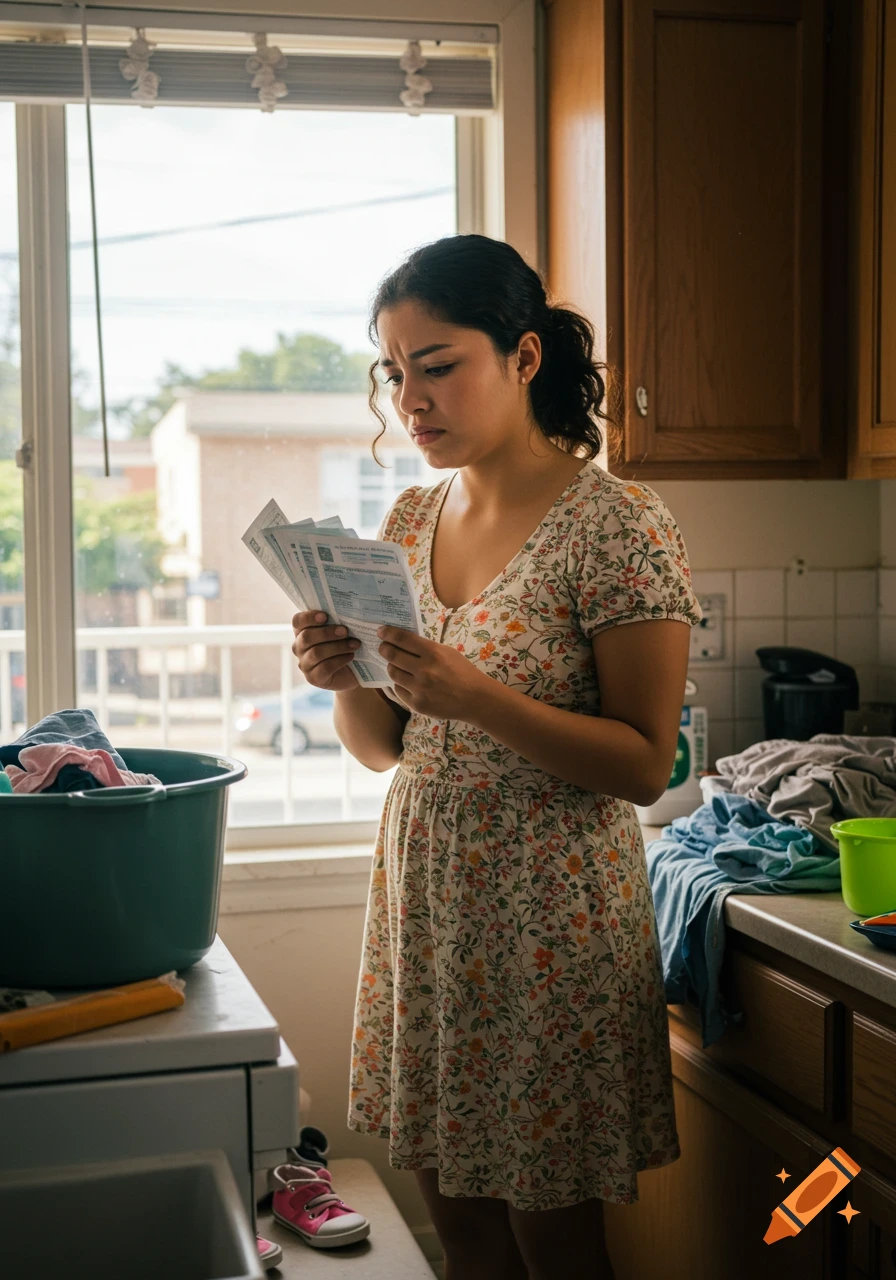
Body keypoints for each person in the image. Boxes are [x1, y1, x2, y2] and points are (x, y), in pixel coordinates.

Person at [291, 234, 703, 1280]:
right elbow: (388, 747)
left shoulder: (617, 524)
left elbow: (643, 764)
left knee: (554, 1237)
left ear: (523, 357)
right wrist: (343, 675)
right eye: (395, 372)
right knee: (459, 1220)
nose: (411, 399)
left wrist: (480, 698)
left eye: (438, 365)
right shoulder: (409, 516)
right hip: (432, 903)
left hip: (550, 916)